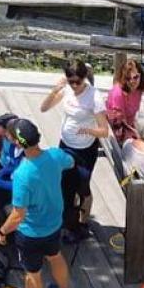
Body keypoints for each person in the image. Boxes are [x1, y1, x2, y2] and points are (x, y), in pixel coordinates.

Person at [0, 119, 75, 288]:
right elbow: (70, 162)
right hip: (54, 225)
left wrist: (2, 231)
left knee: (33, 275)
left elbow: (17, 215)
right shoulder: (55, 156)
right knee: (56, 257)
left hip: (30, 234)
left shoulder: (23, 174)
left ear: (17, 143)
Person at [41, 60, 110, 242]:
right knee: (65, 186)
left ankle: (83, 223)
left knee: (82, 187)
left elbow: (104, 130)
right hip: (66, 145)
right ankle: (67, 223)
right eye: (70, 81)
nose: (74, 86)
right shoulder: (67, 90)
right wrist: (55, 90)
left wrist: (89, 130)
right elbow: (44, 108)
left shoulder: (94, 97)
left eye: (77, 82)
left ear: (84, 78)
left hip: (85, 150)